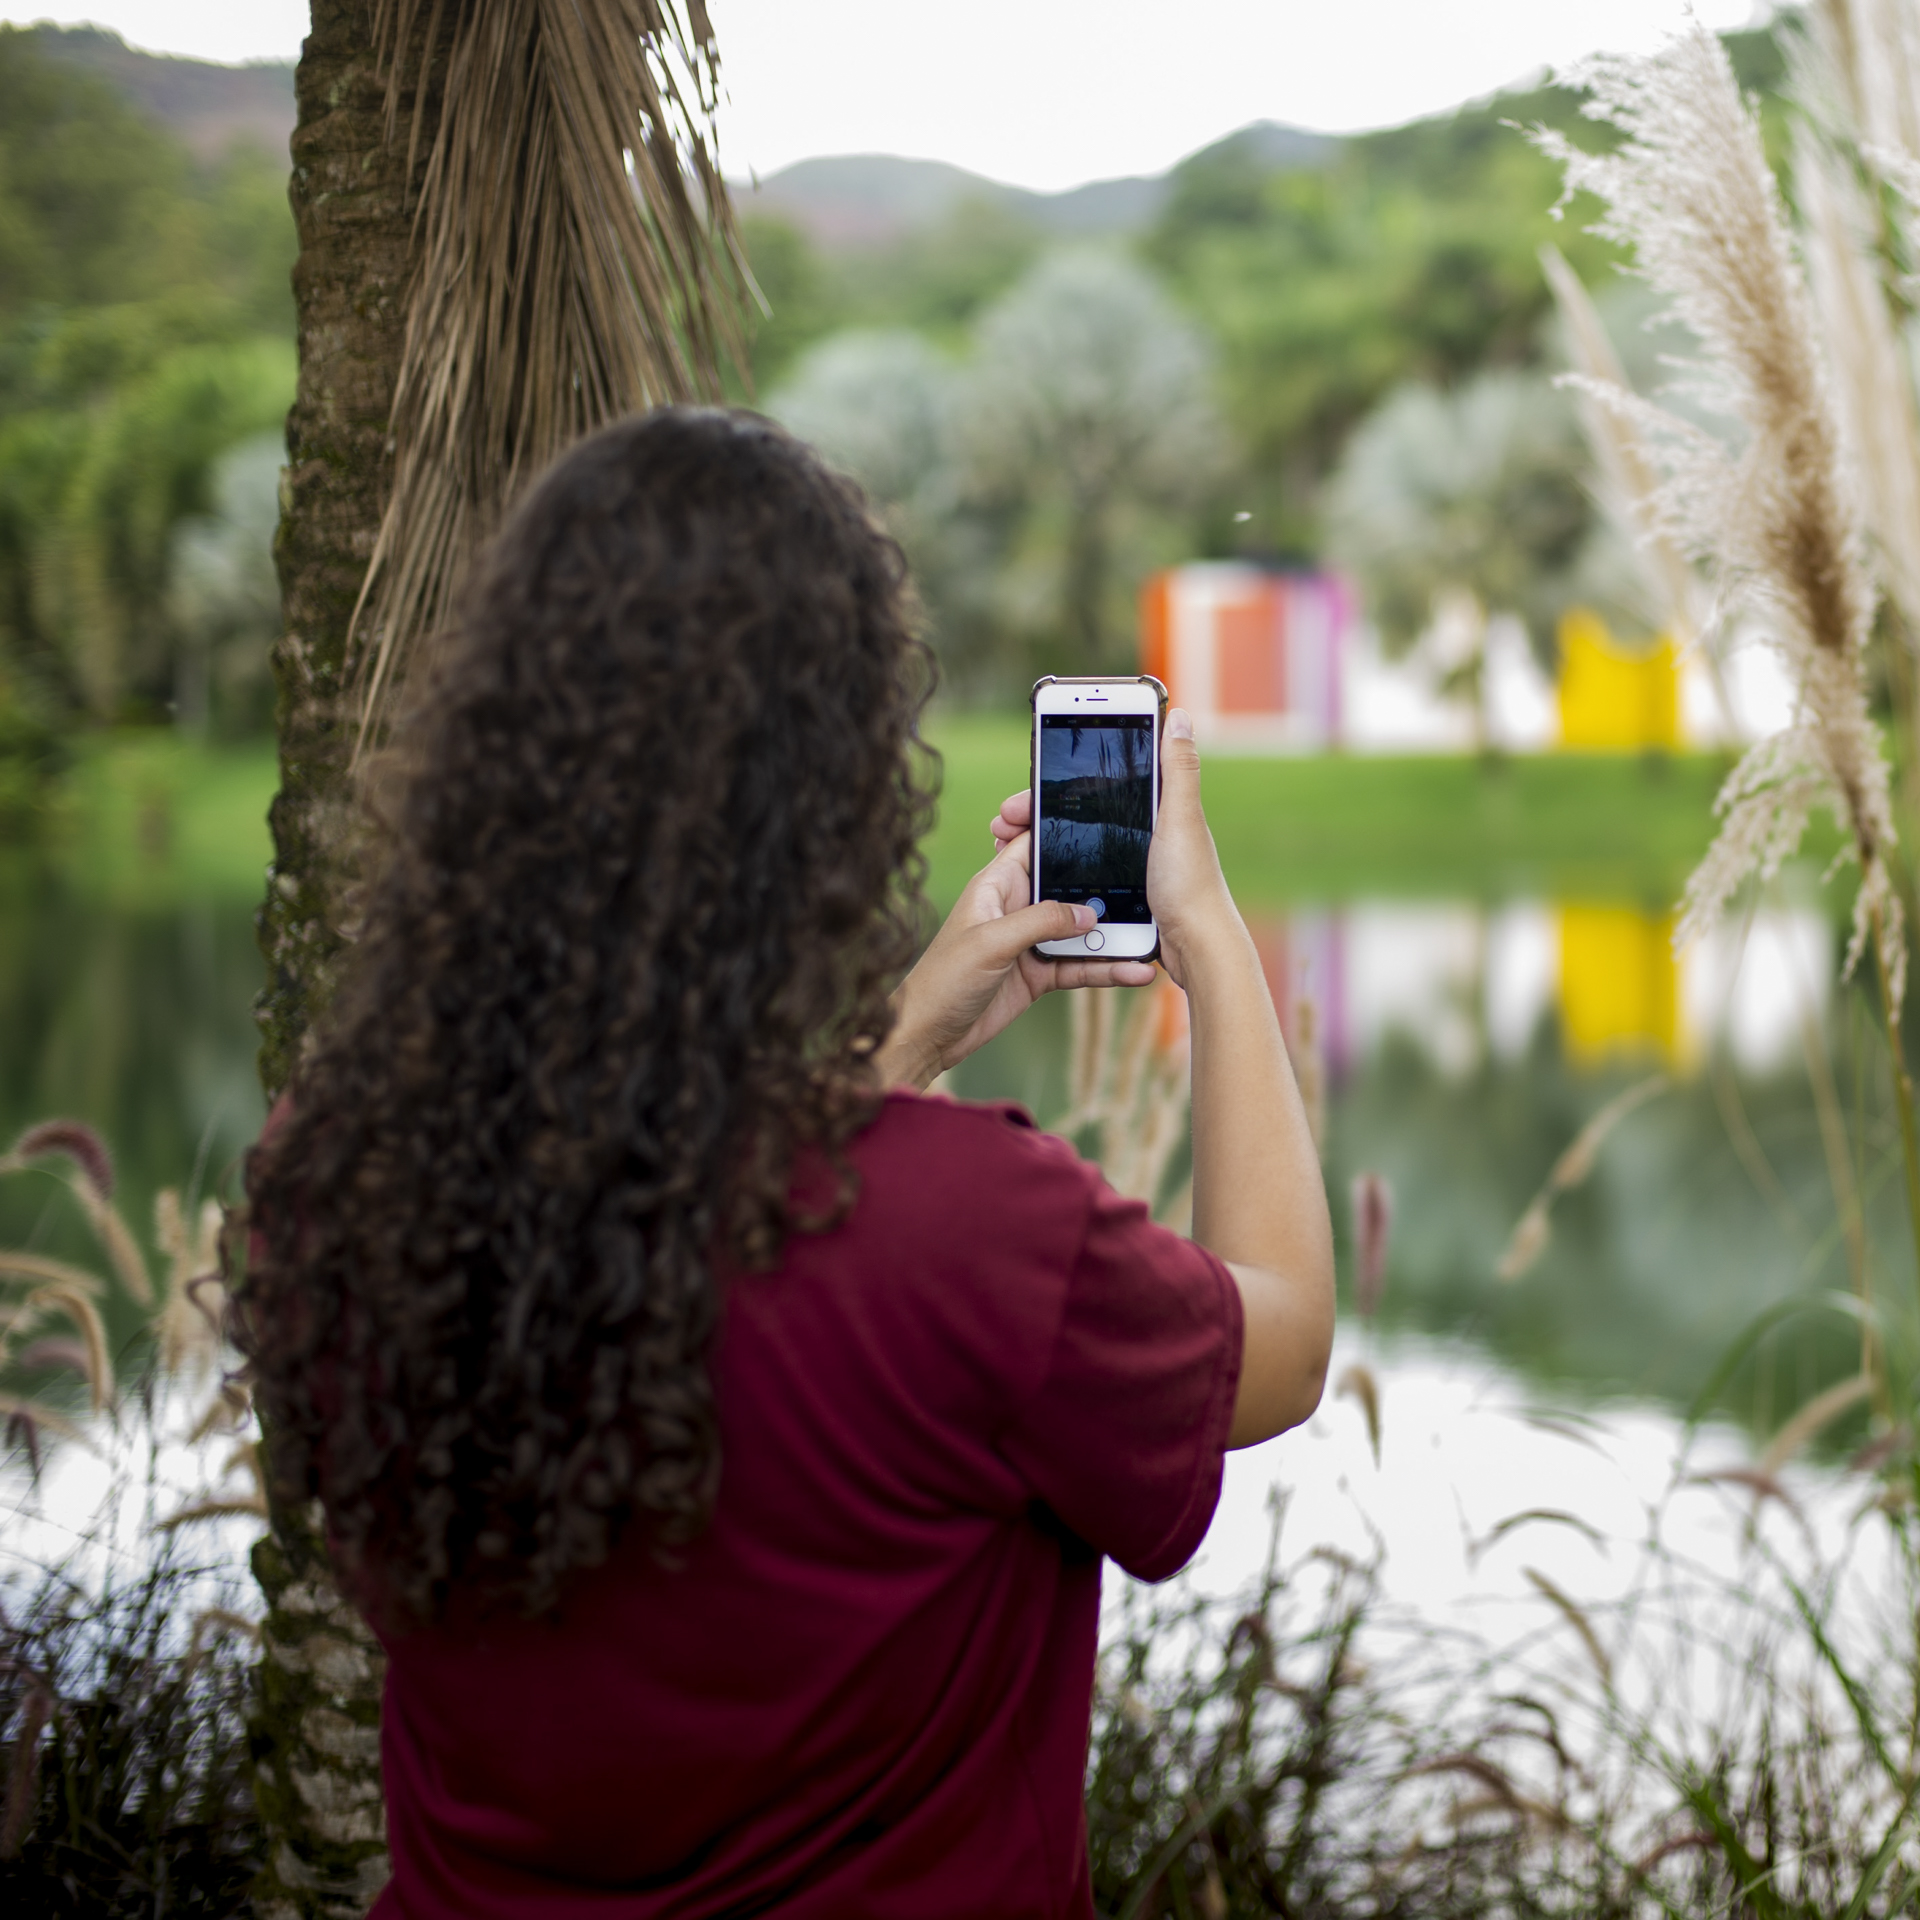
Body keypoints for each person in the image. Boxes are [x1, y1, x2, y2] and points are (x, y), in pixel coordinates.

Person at [240, 406, 1333, 1920]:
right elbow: (1275, 1341)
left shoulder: (338, 1182)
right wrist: (1207, 933)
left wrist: (888, 1048)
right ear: (826, 799)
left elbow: (682, 1238)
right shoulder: (975, 1236)